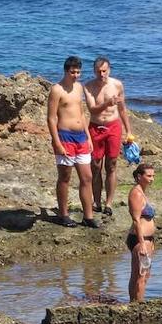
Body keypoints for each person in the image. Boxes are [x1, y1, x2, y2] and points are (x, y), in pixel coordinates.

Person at [46, 56, 97, 228]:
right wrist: (57, 143)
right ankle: (63, 214)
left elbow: (82, 113)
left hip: (81, 137)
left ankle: (88, 216)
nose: (76, 75)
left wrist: (88, 137)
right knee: (65, 177)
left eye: (78, 72)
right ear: (66, 71)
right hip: (64, 137)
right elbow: (51, 119)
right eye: (72, 72)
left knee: (87, 177)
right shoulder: (56, 90)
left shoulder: (79, 87)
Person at [82, 56, 133, 216]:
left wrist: (129, 131)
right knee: (95, 166)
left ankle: (109, 203)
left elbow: (123, 109)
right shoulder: (88, 86)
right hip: (96, 127)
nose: (101, 74)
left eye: (104, 71)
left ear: (109, 70)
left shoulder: (117, 84)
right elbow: (92, 110)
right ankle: (96, 201)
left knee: (111, 165)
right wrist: (107, 103)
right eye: (98, 71)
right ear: (94, 71)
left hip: (113, 126)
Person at [126, 163, 156, 302]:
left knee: (141, 274)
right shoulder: (136, 193)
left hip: (146, 239)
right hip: (140, 239)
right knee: (141, 275)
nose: (152, 179)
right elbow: (136, 220)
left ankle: (133, 302)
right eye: (149, 176)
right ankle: (138, 305)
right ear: (139, 176)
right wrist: (143, 243)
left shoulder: (142, 192)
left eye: (153, 176)